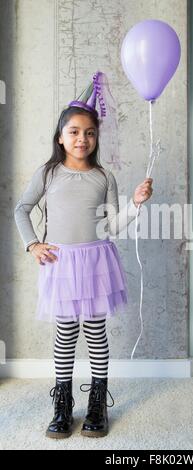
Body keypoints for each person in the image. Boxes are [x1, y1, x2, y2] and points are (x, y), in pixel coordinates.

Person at [14, 71, 153, 439]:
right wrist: (32, 244)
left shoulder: (104, 177)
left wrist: (136, 205)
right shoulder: (48, 173)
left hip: (94, 264)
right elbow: (21, 209)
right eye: (74, 131)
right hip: (61, 265)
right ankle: (62, 403)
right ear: (60, 137)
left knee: (95, 332)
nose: (82, 138)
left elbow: (111, 226)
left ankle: (95, 402)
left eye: (89, 132)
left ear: (96, 137)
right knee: (64, 333)